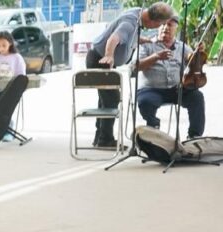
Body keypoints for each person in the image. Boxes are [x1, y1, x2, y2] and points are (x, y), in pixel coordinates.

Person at [86, 1, 174, 148]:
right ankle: (105, 140)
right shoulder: (130, 23)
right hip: (100, 60)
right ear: (154, 21)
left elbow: (127, 37)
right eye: (160, 24)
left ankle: (99, 137)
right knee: (112, 99)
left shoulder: (138, 13)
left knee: (105, 100)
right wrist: (109, 55)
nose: (160, 27)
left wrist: (139, 40)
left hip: (99, 59)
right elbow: (114, 38)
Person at [136, 17, 205, 140]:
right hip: (152, 89)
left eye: (169, 25)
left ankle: (194, 136)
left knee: (197, 97)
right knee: (144, 101)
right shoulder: (146, 45)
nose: (165, 27)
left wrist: (198, 53)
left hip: (177, 89)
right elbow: (135, 67)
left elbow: (193, 62)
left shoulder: (182, 47)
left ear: (176, 28)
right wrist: (155, 57)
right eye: (162, 24)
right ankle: (154, 125)